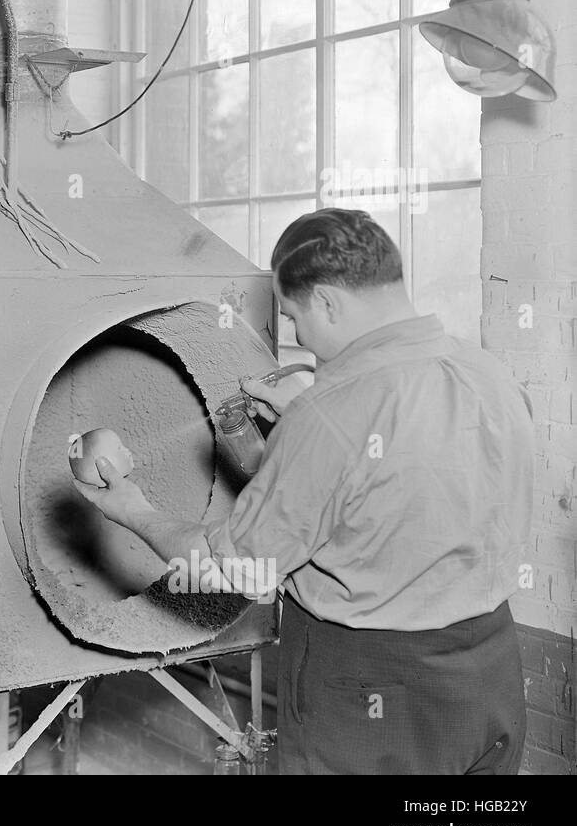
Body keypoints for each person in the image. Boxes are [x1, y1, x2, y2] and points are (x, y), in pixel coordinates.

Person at [74, 207, 532, 774]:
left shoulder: (330, 416)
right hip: (489, 676)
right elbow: (405, 479)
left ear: (328, 302)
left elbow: (226, 573)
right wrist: (304, 431)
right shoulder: (490, 374)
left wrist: (132, 510)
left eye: (293, 317)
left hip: (369, 692)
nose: (293, 335)